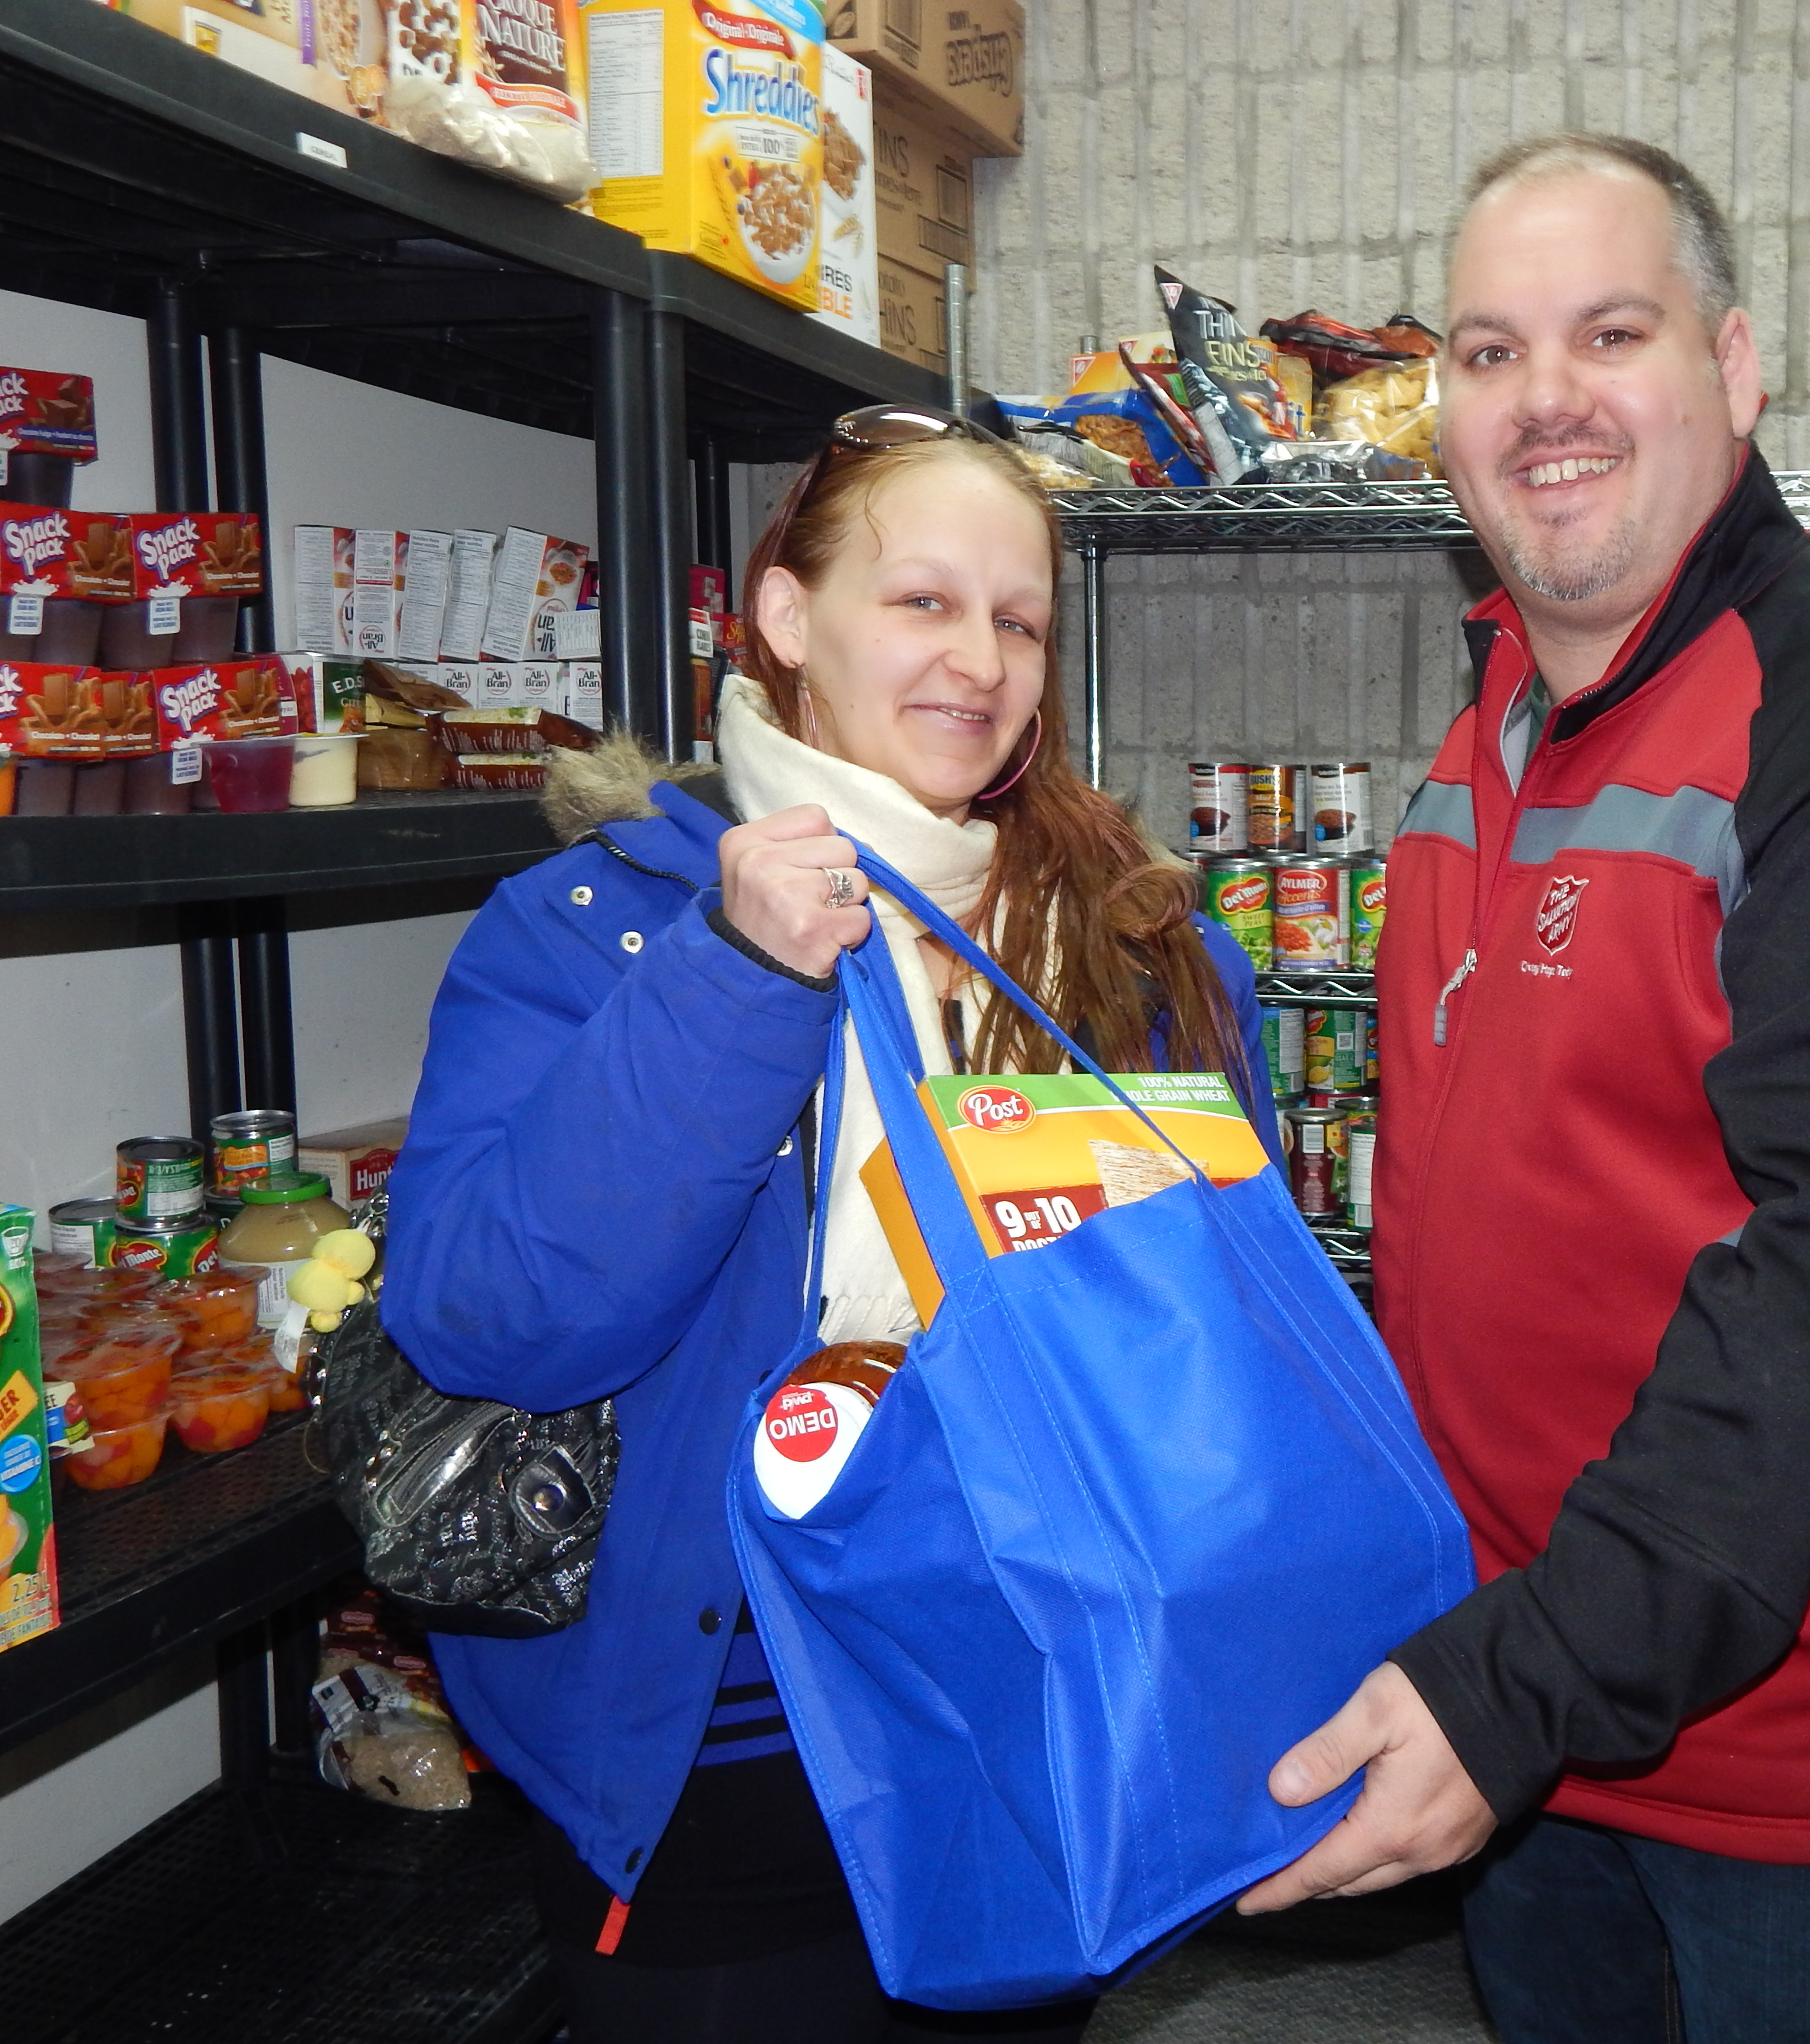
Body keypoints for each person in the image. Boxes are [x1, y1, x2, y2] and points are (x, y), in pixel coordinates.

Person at [1237, 135, 1810, 2042]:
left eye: (1612, 331)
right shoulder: (1489, 734)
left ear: (1733, 374)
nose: (1544, 399)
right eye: (1488, 354)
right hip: (1548, 1720)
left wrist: (1518, 1680)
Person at [383, 414, 1275, 2044]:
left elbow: (1215, 1334)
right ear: (789, 619)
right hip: (717, 1768)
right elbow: (491, 1318)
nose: (980, 661)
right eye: (924, 602)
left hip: (1021, 1716)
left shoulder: (1125, 946)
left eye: (1019, 621)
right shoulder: (596, 929)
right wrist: (737, 979)